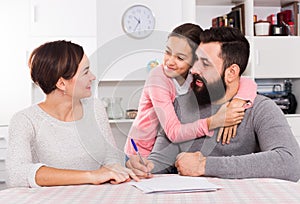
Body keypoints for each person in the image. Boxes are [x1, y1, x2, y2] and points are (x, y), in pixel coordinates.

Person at [126, 27, 300, 182]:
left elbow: (290, 163)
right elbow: (159, 162)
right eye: (195, 61)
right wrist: (143, 166)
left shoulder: (260, 109)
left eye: (205, 64)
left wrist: (205, 165)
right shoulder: (181, 105)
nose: (193, 70)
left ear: (231, 72)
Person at [6, 40, 138, 188]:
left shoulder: (95, 108)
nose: (92, 77)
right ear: (62, 83)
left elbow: (111, 156)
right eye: (86, 72)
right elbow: (17, 175)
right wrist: (91, 176)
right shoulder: (25, 120)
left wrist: (124, 167)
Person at [124, 23, 257, 158]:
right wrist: (216, 121)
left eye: (180, 58)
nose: (170, 62)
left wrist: (238, 102)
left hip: (172, 149)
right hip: (142, 152)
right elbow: (173, 133)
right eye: (168, 52)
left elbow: (245, 81)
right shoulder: (158, 78)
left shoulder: (194, 74)